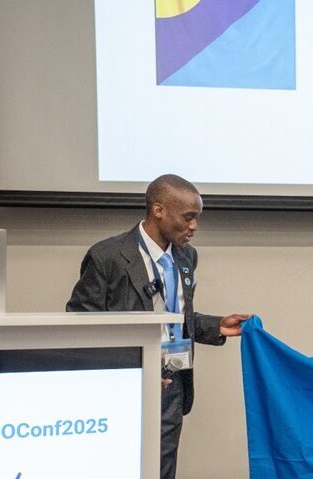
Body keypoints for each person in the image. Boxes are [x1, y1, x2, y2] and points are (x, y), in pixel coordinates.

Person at [66, 174, 252, 479]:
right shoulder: (106, 257)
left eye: (197, 219)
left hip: (172, 382)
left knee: (162, 468)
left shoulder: (187, 256)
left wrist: (216, 326)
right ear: (159, 210)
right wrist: (132, 368)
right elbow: (81, 327)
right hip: (124, 384)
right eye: (188, 217)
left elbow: (175, 315)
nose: (194, 227)